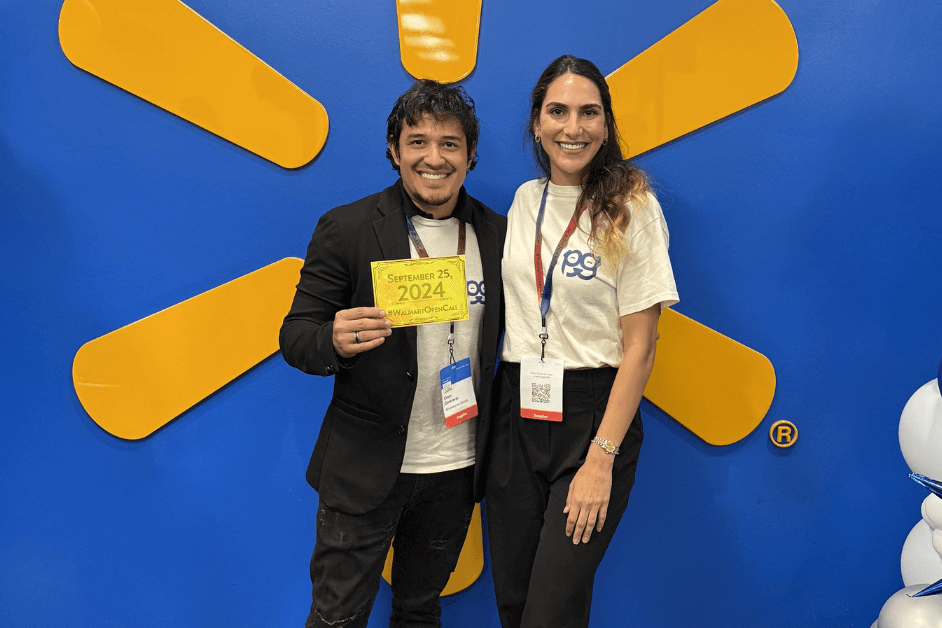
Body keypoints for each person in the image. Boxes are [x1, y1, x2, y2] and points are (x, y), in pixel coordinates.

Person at [279, 79, 505, 628]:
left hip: (456, 468)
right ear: (394, 150)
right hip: (365, 469)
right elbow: (295, 336)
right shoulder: (348, 228)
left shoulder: (499, 235)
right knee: (335, 618)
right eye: (418, 141)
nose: (434, 157)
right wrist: (332, 339)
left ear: (470, 156)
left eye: (450, 144)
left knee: (420, 611)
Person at [482, 55, 679, 628]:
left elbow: (641, 348)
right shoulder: (523, 200)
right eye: (558, 111)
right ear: (537, 123)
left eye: (589, 112)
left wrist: (601, 460)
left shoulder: (631, 207)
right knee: (516, 606)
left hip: (593, 419)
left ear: (607, 122)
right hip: (516, 413)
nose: (574, 127)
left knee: (550, 612)